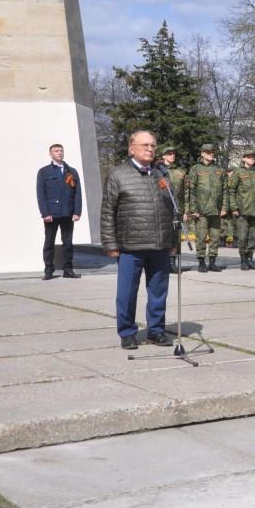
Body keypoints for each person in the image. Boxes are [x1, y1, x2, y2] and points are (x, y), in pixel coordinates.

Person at [100, 131, 175, 350]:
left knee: (159, 292)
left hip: (160, 245)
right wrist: (110, 245)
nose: (150, 149)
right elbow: (107, 212)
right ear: (131, 148)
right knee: (127, 292)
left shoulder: (161, 175)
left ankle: (156, 331)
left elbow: (171, 210)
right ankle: (127, 332)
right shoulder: (118, 174)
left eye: (153, 145)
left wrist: (172, 243)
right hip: (130, 246)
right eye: (145, 145)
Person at [35, 143, 83, 280]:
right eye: (56, 151)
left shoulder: (71, 171)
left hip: (67, 213)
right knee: (49, 242)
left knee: (68, 243)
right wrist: (45, 213)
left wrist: (77, 211)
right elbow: (41, 194)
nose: (59, 153)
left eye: (61, 151)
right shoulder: (44, 172)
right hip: (51, 214)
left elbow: (77, 194)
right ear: (50, 154)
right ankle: (49, 270)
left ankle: (68, 269)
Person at [186, 143, 226, 273]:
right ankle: (201, 262)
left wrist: (224, 207)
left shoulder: (219, 170)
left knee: (215, 237)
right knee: (201, 237)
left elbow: (225, 190)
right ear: (202, 154)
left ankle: (212, 262)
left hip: (216, 210)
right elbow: (191, 191)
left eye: (212, 152)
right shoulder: (196, 169)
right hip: (201, 211)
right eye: (208, 152)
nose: (211, 154)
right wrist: (193, 209)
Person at [227, 148, 255, 271]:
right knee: (242, 237)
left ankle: (250, 259)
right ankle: (243, 259)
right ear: (243, 159)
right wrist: (233, 207)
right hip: (242, 210)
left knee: (253, 237)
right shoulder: (238, 173)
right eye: (248, 157)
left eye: (253, 157)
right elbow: (231, 191)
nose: (251, 158)